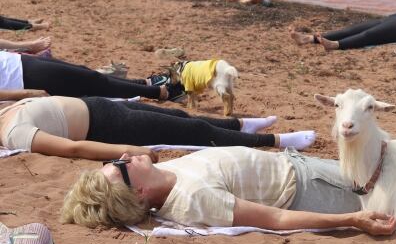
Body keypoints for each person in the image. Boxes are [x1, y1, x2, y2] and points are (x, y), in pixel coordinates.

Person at [62, 146, 396, 234]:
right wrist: (349, 221)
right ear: (139, 196)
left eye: (114, 161)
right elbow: (274, 220)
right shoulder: (191, 201)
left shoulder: (165, 175)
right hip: (309, 189)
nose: (123, 160)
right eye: (120, 170)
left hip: (298, 167)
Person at [0, 96, 315, 160]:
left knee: (179, 115)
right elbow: (73, 148)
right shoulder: (15, 134)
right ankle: (276, 140)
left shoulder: (6, 111)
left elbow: (37, 94)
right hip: (107, 126)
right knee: (191, 133)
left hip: (100, 105)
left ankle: (241, 123)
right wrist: (128, 151)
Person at [0, 51, 174, 101]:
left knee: (87, 73)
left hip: (17, 63)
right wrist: (28, 93)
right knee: (93, 82)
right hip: (22, 79)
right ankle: (157, 91)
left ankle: (144, 84)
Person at [290, 12, 396, 50]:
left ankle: (335, 45)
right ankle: (308, 39)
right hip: (394, 19)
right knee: (351, 29)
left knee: (369, 36)